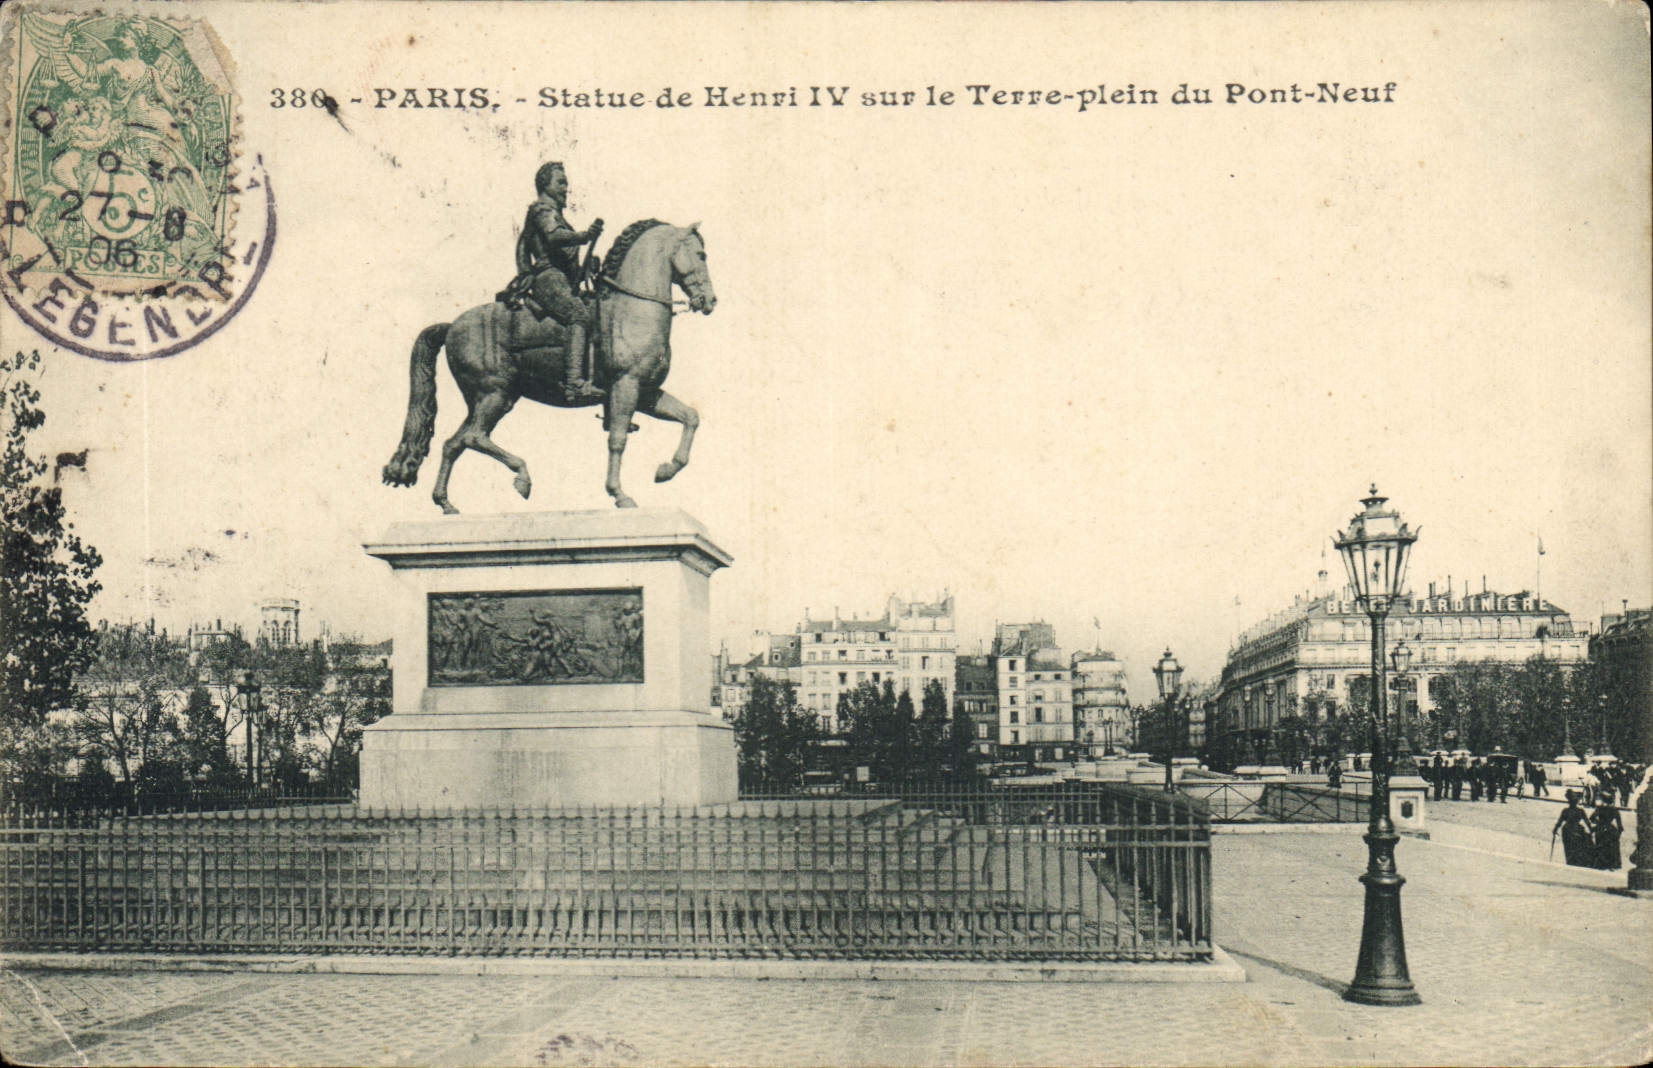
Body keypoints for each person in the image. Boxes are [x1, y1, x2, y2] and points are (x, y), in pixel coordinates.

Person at [506, 162, 605, 399]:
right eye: (560, 183)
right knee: (578, 315)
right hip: (548, 279)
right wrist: (584, 236)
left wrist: (586, 267)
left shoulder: (554, 213)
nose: (565, 188)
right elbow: (553, 237)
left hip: (561, 278)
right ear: (545, 185)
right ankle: (573, 383)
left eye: (566, 183)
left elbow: (564, 256)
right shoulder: (542, 210)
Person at [1552, 790, 1593, 867]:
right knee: (1579, 846)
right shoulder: (1580, 811)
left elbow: (1559, 822)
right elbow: (1587, 822)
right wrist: (1591, 830)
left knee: (1569, 847)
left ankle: (1571, 861)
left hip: (1567, 830)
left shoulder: (1565, 811)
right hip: (1577, 829)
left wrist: (1555, 830)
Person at [1590, 798, 1624, 870]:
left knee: (1600, 845)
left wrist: (1599, 823)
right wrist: (1618, 835)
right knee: (1612, 846)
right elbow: (1620, 827)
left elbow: (1592, 818)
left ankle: (1601, 863)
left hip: (1601, 829)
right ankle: (1611, 864)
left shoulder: (1600, 809)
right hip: (1611, 829)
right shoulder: (1615, 810)